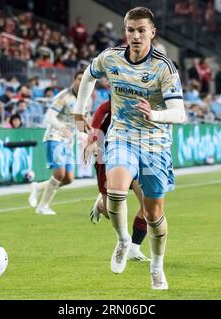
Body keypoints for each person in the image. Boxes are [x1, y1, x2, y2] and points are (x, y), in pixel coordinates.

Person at [73, 7, 187, 290]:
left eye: (141, 30)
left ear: (152, 33)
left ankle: (157, 267)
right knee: (116, 189)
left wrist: (156, 115)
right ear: (125, 31)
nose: (135, 36)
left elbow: (179, 113)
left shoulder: (164, 67)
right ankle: (123, 240)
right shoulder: (111, 58)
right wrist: (79, 110)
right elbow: (88, 75)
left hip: (155, 144)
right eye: (130, 30)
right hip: (122, 136)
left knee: (153, 215)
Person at [85, 99, 149, 261]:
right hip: (108, 154)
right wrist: (93, 140)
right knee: (110, 212)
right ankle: (101, 205)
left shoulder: (150, 98)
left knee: (149, 204)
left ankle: (134, 248)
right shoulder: (119, 96)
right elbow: (100, 111)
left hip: (137, 154)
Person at [28, 71, 87, 215]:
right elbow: (49, 115)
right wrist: (61, 127)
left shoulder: (86, 98)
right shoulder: (64, 96)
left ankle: (38, 187)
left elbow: (79, 119)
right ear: (74, 80)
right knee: (59, 174)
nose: (81, 82)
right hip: (55, 136)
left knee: (68, 179)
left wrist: (86, 133)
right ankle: (43, 207)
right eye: (79, 79)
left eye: (84, 79)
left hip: (68, 140)